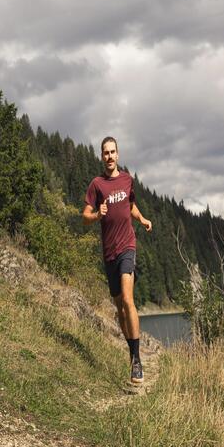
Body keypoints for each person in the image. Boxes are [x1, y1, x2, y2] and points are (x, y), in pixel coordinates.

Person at [83, 136, 152, 384]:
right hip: (109, 254)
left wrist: (142, 219)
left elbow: (130, 205)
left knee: (127, 298)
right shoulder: (97, 185)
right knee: (119, 308)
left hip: (127, 247)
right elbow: (84, 216)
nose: (110, 156)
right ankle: (131, 350)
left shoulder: (126, 180)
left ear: (118, 155)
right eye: (106, 153)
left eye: (113, 152)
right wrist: (96, 215)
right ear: (101, 156)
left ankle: (136, 360)